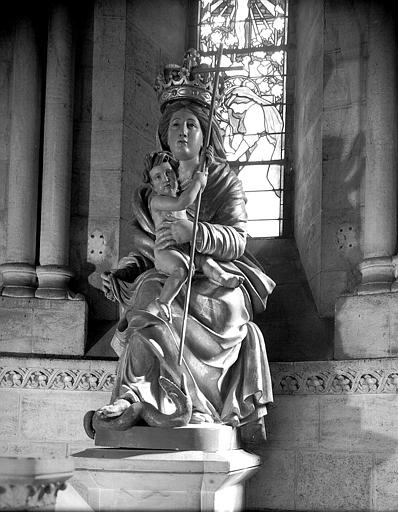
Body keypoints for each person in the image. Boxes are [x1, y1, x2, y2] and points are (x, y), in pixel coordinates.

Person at [99, 95, 275, 427]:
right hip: (169, 272)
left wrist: (192, 230)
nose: (183, 132)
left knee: (208, 299)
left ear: (205, 134)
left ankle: (193, 406)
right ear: (164, 136)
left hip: (216, 279)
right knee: (149, 290)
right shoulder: (155, 188)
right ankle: (133, 396)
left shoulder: (223, 182)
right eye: (176, 125)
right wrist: (122, 273)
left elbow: (236, 240)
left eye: (191, 125)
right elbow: (147, 249)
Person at [144, 150, 244, 322]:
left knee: (205, 260)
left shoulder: (180, 196)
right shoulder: (158, 201)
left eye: (168, 173)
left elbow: (196, 191)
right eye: (158, 177)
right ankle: (163, 302)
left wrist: (204, 167)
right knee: (183, 270)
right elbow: (184, 201)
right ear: (152, 186)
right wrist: (198, 180)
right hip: (166, 250)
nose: (166, 179)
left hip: (185, 248)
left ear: (175, 175)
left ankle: (222, 277)